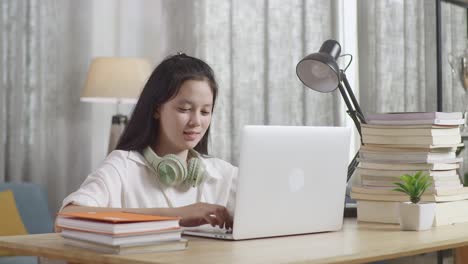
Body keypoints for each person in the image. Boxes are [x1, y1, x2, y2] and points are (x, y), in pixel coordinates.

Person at [59, 53, 237, 229]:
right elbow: (66, 218)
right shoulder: (122, 166)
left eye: (205, 112)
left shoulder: (223, 174)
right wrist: (177, 215)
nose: (196, 122)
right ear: (156, 109)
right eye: (184, 109)